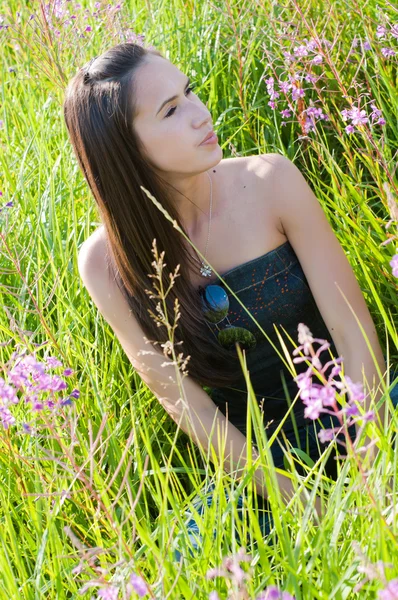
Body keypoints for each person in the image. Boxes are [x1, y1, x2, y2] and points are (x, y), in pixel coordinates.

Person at [63, 42, 398, 561]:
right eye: (171, 110)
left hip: (359, 414)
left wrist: (370, 459)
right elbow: (190, 408)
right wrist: (298, 500)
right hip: (258, 470)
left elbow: (354, 332)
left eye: (190, 91)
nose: (200, 114)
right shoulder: (104, 263)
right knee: (181, 566)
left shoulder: (270, 181)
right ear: (121, 148)